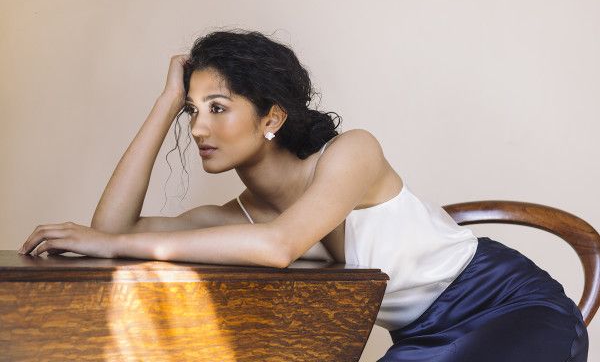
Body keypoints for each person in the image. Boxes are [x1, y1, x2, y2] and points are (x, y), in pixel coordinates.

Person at [18, 29, 588, 361]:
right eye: (191, 111)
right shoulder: (236, 218)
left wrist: (114, 246)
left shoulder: (352, 153)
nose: (197, 128)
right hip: (423, 338)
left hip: (508, 306)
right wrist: (166, 101)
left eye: (217, 108)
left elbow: (279, 246)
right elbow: (110, 230)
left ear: (271, 118)